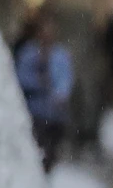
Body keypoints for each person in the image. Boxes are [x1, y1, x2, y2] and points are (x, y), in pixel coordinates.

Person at [14, 14, 74, 171]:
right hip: (35, 111)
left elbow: (65, 83)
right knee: (35, 150)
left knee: (50, 153)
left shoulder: (61, 56)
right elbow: (21, 79)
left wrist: (58, 95)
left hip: (54, 115)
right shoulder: (28, 54)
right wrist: (38, 84)